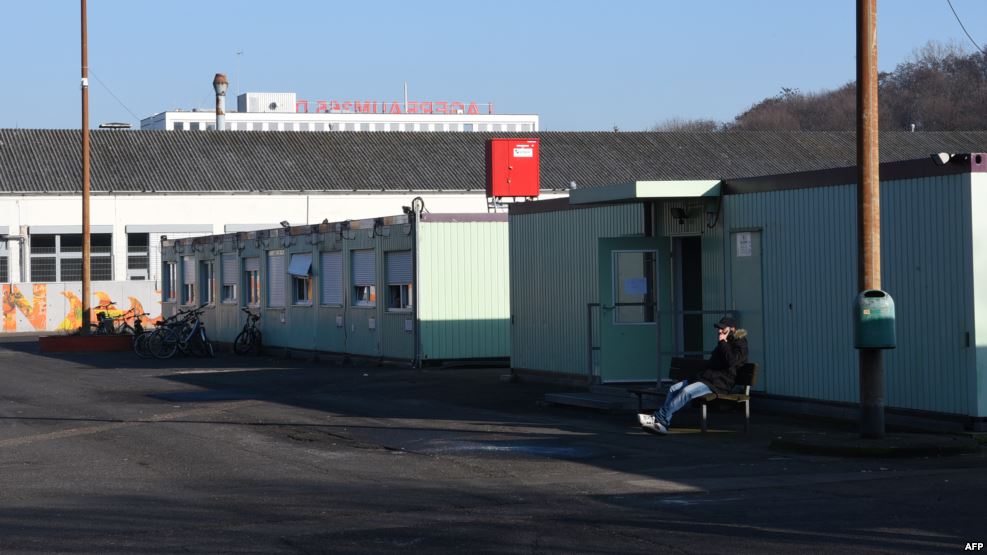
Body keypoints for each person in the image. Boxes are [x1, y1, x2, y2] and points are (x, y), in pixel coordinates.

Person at [638, 316, 748, 434]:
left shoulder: (740, 343)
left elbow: (731, 361)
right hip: (707, 379)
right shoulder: (724, 342)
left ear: (732, 329)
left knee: (687, 392)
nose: (719, 331)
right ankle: (663, 424)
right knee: (673, 388)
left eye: (723, 329)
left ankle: (658, 418)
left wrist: (722, 343)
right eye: (718, 328)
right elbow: (713, 364)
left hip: (720, 384)